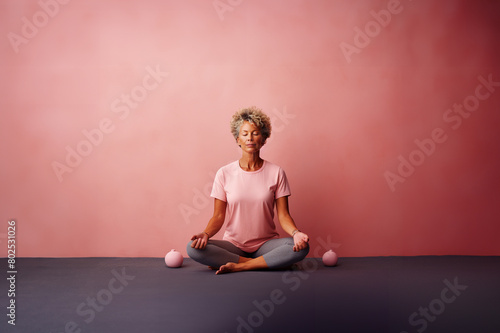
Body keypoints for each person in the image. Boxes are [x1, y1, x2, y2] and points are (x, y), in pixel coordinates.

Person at [187, 106, 309, 274]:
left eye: (255, 133)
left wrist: (296, 233)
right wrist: (205, 234)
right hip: (233, 245)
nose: (250, 138)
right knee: (193, 248)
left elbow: (283, 215)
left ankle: (241, 265)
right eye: (245, 134)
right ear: (238, 139)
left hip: (266, 244)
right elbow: (218, 215)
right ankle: (265, 263)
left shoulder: (276, 172)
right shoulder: (224, 173)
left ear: (264, 139)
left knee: (300, 247)